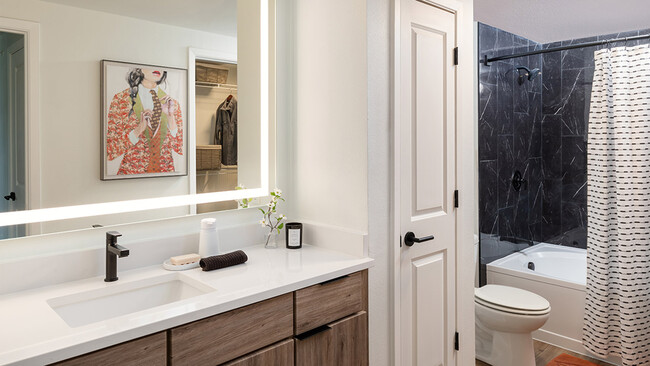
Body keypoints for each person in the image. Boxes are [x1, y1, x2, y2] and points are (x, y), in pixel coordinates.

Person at [106, 67, 183, 175]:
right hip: (131, 178)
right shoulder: (121, 100)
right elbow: (110, 151)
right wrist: (138, 130)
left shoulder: (172, 103)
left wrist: (171, 117)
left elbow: (180, 147)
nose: (157, 68)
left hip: (165, 177)